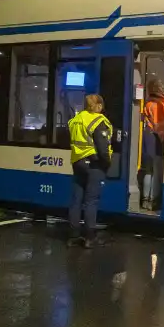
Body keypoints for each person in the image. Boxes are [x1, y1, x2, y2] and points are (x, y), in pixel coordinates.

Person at [68, 94, 114, 248]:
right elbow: (102, 148)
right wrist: (106, 163)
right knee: (91, 201)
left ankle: (74, 235)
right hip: (94, 165)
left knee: (76, 200)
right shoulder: (98, 121)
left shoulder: (77, 119)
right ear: (99, 106)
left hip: (77, 162)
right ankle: (90, 237)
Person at [139, 79, 164, 211]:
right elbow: (160, 125)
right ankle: (153, 200)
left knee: (148, 169)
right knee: (157, 170)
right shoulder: (161, 104)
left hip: (147, 135)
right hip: (157, 138)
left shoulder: (148, 103)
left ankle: (145, 199)